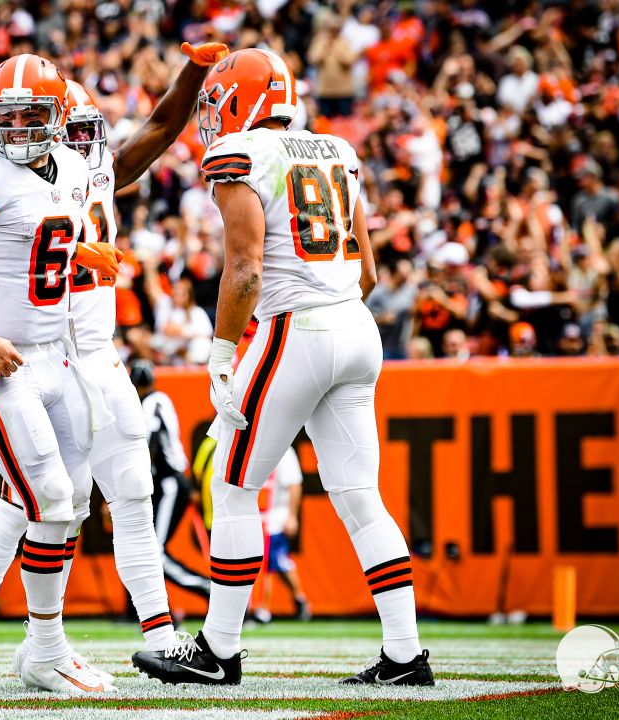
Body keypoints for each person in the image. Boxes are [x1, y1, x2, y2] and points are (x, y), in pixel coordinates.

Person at [133, 49, 432, 687]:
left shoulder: (242, 155)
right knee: (360, 497)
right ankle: (407, 655)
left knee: (234, 487)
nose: (212, 117)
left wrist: (220, 352)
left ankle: (217, 650)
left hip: (294, 327)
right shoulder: (336, 151)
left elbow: (246, 270)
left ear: (246, 100)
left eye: (217, 101)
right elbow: (371, 271)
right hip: (356, 324)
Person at [0, 44, 229, 686]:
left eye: (40, 119)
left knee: (67, 500)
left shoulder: (75, 170)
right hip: (20, 357)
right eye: (8, 118)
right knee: (31, 499)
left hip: (67, 356)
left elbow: (153, 134)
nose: (28, 132)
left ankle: (68, 644)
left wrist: (79, 260)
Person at [131, 359, 210, 598]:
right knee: (144, 549)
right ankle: (142, 609)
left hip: (169, 482)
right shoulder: (158, 400)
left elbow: (149, 441)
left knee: (154, 552)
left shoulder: (152, 402)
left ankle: (207, 588)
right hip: (166, 482)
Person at [249, 448, 311, 623]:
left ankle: (263, 609)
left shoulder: (285, 451)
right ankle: (299, 599)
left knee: (269, 562)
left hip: (276, 516)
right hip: (259, 514)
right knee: (276, 562)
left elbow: (295, 484)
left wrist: (292, 515)